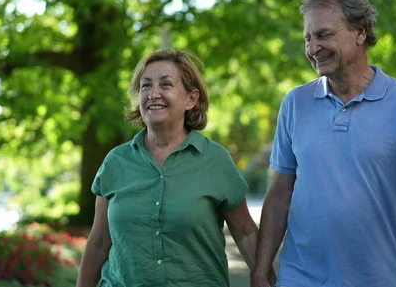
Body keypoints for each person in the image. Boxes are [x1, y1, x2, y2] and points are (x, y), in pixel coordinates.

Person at [251, 0, 396, 287]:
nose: (312, 48)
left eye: (324, 34)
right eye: (308, 38)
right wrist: (260, 270)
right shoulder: (294, 103)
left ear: (360, 32)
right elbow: (280, 194)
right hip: (300, 279)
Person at [76, 48, 261, 287]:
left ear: (191, 99)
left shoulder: (216, 160)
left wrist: (265, 277)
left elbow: (245, 232)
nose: (154, 94)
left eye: (166, 85)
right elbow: (100, 242)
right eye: (145, 86)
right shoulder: (116, 162)